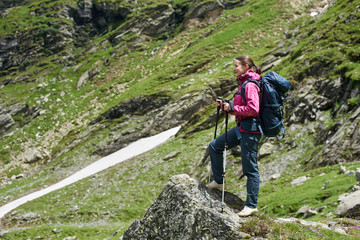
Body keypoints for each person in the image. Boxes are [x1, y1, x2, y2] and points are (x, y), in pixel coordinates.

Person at [207, 55, 262, 217]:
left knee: (250, 168)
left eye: (237, 65)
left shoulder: (250, 84)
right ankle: (219, 181)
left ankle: (251, 205)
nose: (234, 68)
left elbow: (253, 109)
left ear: (246, 66)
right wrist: (228, 105)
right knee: (215, 145)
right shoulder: (244, 83)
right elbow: (241, 105)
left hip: (251, 130)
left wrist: (231, 109)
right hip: (242, 127)